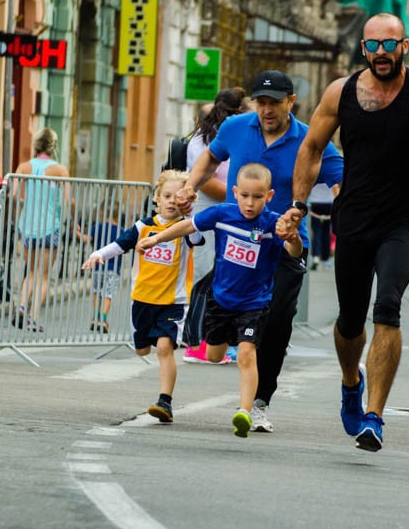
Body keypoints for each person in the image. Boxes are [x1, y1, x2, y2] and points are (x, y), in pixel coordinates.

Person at [281, 12, 409, 452]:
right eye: (371, 45)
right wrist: (298, 205)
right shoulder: (341, 92)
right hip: (353, 217)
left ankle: (375, 416)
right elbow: (312, 147)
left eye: (388, 45)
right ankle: (350, 381)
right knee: (350, 320)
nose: (380, 52)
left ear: (404, 47)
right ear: (363, 49)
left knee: (388, 307)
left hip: (403, 220)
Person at [177, 69, 343, 433]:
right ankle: (215, 341)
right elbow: (209, 158)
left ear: (291, 103)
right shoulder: (236, 127)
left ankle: (260, 402)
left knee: (278, 324)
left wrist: (343, 209)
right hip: (237, 247)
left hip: (284, 247)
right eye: (261, 103)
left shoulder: (310, 140)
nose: (267, 110)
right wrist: (191, 185)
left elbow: (339, 178)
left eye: (275, 103)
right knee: (221, 324)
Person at [138, 164, 302, 437]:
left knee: (248, 353)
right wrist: (156, 240)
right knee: (214, 355)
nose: (250, 203)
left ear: (269, 196)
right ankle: (223, 345)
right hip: (221, 301)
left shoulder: (274, 224)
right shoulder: (222, 214)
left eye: (258, 197)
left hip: (255, 303)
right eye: (245, 195)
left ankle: (244, 412)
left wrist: (293, 238)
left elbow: (294, 252)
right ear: (235, 193)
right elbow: (187, 226)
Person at [83, 170, 201, 425]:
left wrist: (190, 213)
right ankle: (147, 348)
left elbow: (197, 236)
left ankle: (165, 402)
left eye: (177, 197)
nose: (172, 201)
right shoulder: (143, 226)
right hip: (142, 299)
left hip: (173, 301)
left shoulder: (186, 228)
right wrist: (98, 254)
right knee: (141, 350)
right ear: (156, 198)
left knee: (163, 349)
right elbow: (120, 244)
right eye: (166, 196)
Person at [182, 87, 247, 364]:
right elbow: (204, 181)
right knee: (207, 276)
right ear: (237, 112)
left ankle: (223, 339)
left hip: (233, 212)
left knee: (229, 275)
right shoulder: (202, 141)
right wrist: (240, 197)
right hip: (209, 210)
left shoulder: (239, 135)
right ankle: (198, 341)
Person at [13, 127, 70, 332]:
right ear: (53, 146)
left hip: (27, 225)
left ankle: (21, 306)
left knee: (31, 270)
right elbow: (68, 201)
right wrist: (72, 223)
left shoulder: (24, 167)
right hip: (49, 227)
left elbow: (13, 194)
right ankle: (33, 317)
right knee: (43, 275)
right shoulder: (60, 170)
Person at [86, 202, 122, 333]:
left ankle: (95, 318)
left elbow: (86, 239)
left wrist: (76, 232)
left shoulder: (98, 227)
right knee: (108, 294)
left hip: (97, 267)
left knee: (96, 291)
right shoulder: (121, 230)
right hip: (113, 268)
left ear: (101, 213)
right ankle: (104, 319)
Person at [308, 183, 336, 269]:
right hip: (329, 202)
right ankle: (325, 259)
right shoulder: (330, 169)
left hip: (315, 202)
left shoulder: (313, 169)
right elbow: (335, 186)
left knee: (316, 231)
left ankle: (316, 256)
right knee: (327, 232)